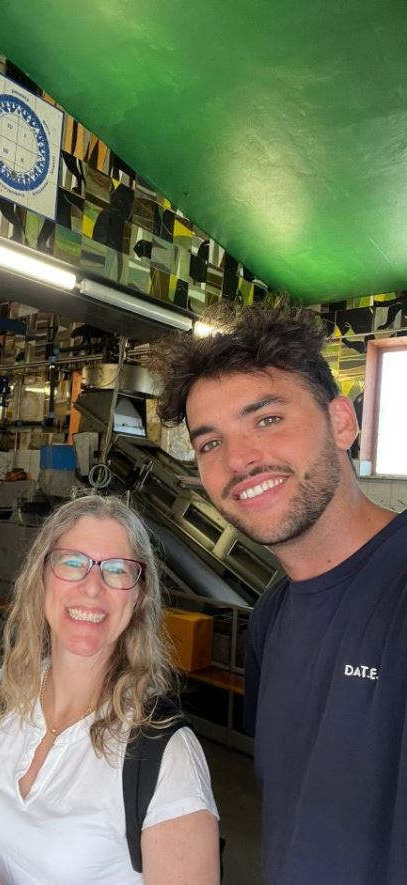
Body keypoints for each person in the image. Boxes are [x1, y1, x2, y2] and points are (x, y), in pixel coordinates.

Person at [150, 301, 407, 885]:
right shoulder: (273, 616)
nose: (239, 460)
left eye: (267, 419)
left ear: (342, 422)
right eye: (210, 443)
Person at [0, 494, 220, 885]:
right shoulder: (9, 693)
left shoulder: (165, 757)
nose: (92, 587)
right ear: (42, 576)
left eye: (116, 570)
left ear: (139, 595)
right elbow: (2, 827)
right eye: (72, 562)